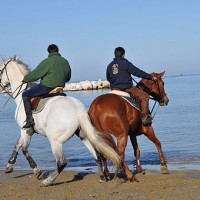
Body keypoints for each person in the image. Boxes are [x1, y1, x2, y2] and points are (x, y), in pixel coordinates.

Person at [22, 44, 71, 128]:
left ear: (48, 52)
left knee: (25, 94)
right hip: (59, 88)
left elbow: (36, 74)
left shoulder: (47, 61)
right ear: (57, 51)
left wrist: (26, 79)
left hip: (47, 86)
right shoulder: (65, 61)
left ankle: (29, 120)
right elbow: (68, 78)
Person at [106, 47, 156, 125]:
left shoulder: (109, 66)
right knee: (144, 96)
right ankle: (145, 117)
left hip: (114, 89)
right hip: (127, 89)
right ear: (123, 55)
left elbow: (108, 78)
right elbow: (138, 72)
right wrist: (151, 77)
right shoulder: (126, 63)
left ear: (115, 54)